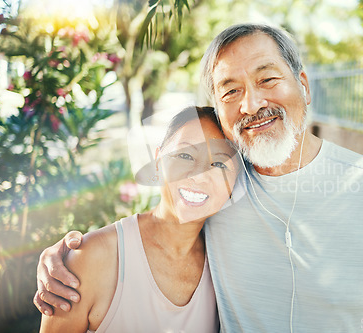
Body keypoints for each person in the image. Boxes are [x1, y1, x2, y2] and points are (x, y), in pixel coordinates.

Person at [35, 24, 363, 332]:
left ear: (302, 85)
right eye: (230, 91)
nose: (252, 103)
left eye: (268, 79)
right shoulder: (222, 185)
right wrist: (70, 256)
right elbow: (160, 222)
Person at [39, 106, 240, 332]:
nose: (199, 175)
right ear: (157, 162)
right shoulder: (93, 258)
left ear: (235, 182)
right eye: (185, 155)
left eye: (220, 163)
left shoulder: (225, 266)